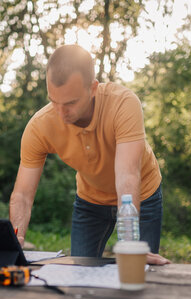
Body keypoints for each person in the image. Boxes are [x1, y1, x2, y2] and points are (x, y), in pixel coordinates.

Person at [9, 44, 170, 265]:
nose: (61, 112)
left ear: (93, 89)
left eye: (70, 103)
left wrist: (129, 244)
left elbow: (127, 176)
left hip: (142, 194)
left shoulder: (123, 103)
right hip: (90, 201)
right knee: (80, 276)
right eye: (54, 101)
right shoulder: (39, 126)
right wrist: (16, 238)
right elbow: (23, 195)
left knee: (139, 271)